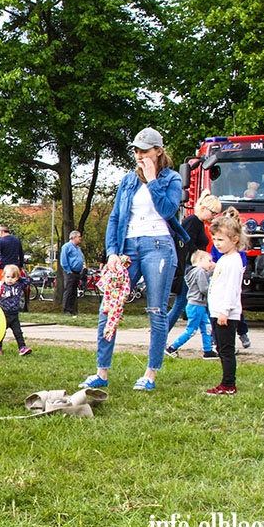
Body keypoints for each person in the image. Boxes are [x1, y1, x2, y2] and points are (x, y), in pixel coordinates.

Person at [79, 127, 189, 392]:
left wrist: (152, 180)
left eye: (145, 150)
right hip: (128, 247)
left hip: (159, 246)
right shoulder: (128, 180)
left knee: (156, 310)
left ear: (158, 151)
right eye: (136, 151)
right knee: (109, 307)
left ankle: (150, 374)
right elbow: (116, 217)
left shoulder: (171, 179)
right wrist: (112, 252)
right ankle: (101, 372)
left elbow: (167, 210)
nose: (139, 156)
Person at [166, 191, 222, 333]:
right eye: (213, 213)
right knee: (181, 303)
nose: (214, 216)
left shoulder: (197, 223)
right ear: (203, 209)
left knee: (184, 303)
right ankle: (161, 332)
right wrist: (201, 258)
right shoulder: (193, 222)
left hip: (192, 267)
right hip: (190, 268)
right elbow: (187, 244)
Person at [205, 215, 247, 395]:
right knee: (221, 349)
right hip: (217, 311)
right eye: (214, 239)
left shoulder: (233, 262)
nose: (217, 243)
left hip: (226, 314)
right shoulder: (224, 259)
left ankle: (229, 384)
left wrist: (224, 312)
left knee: (226, 350)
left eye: (221, 239)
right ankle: (226, 382)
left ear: (234, 239)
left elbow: (232, 289)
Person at [165, 250, 218, 359]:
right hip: (196, 305)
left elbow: (205, 275)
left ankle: (208, 351)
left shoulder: (193, 272)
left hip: (198, 305)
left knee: (206, 327)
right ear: (200, 260)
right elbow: (204, 288)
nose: (210, 263)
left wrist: (215, 270)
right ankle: (172, 348)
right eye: (209, 260)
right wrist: (213, 292)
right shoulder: (199, 272)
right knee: (192, 330)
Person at [0, 264, 32, 356]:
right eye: (7, 277)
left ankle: (22, 347)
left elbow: (28, 281)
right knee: (1, 332)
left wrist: (19, 278)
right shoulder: (0, 286)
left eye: (13, 277)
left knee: (18, 332)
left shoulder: (19, 285)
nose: (10, 279)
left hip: (14, 315)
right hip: (3, 314)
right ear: (3, 276)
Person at [59, 230, 84, 316]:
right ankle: (66, 310)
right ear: (73, 237)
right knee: (69, 290)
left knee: (74, 291)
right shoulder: (67, 247)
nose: (80, 238)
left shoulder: (78, 248)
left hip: (77, 272)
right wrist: (68, 271)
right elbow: (63, 260)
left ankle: (72, 309)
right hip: (70, 272)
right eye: (79, 236)